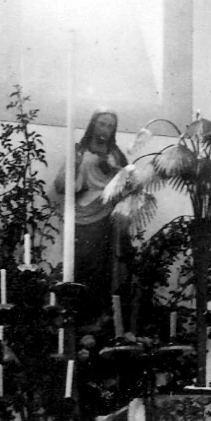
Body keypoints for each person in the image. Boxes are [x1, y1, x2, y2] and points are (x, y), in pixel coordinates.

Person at [55, 109, 129, 325]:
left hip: (104, 216)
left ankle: (97, 319)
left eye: (109, 125)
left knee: (100, 270)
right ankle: (78, 319)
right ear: (92, 124)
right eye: (101, 123)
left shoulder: (116, 155)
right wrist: (77, 165)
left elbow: (128, 184)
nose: (104, 129)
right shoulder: (80, 151)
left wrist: (116, 172)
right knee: (79, 267)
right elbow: (61, 185)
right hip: (79, 217)